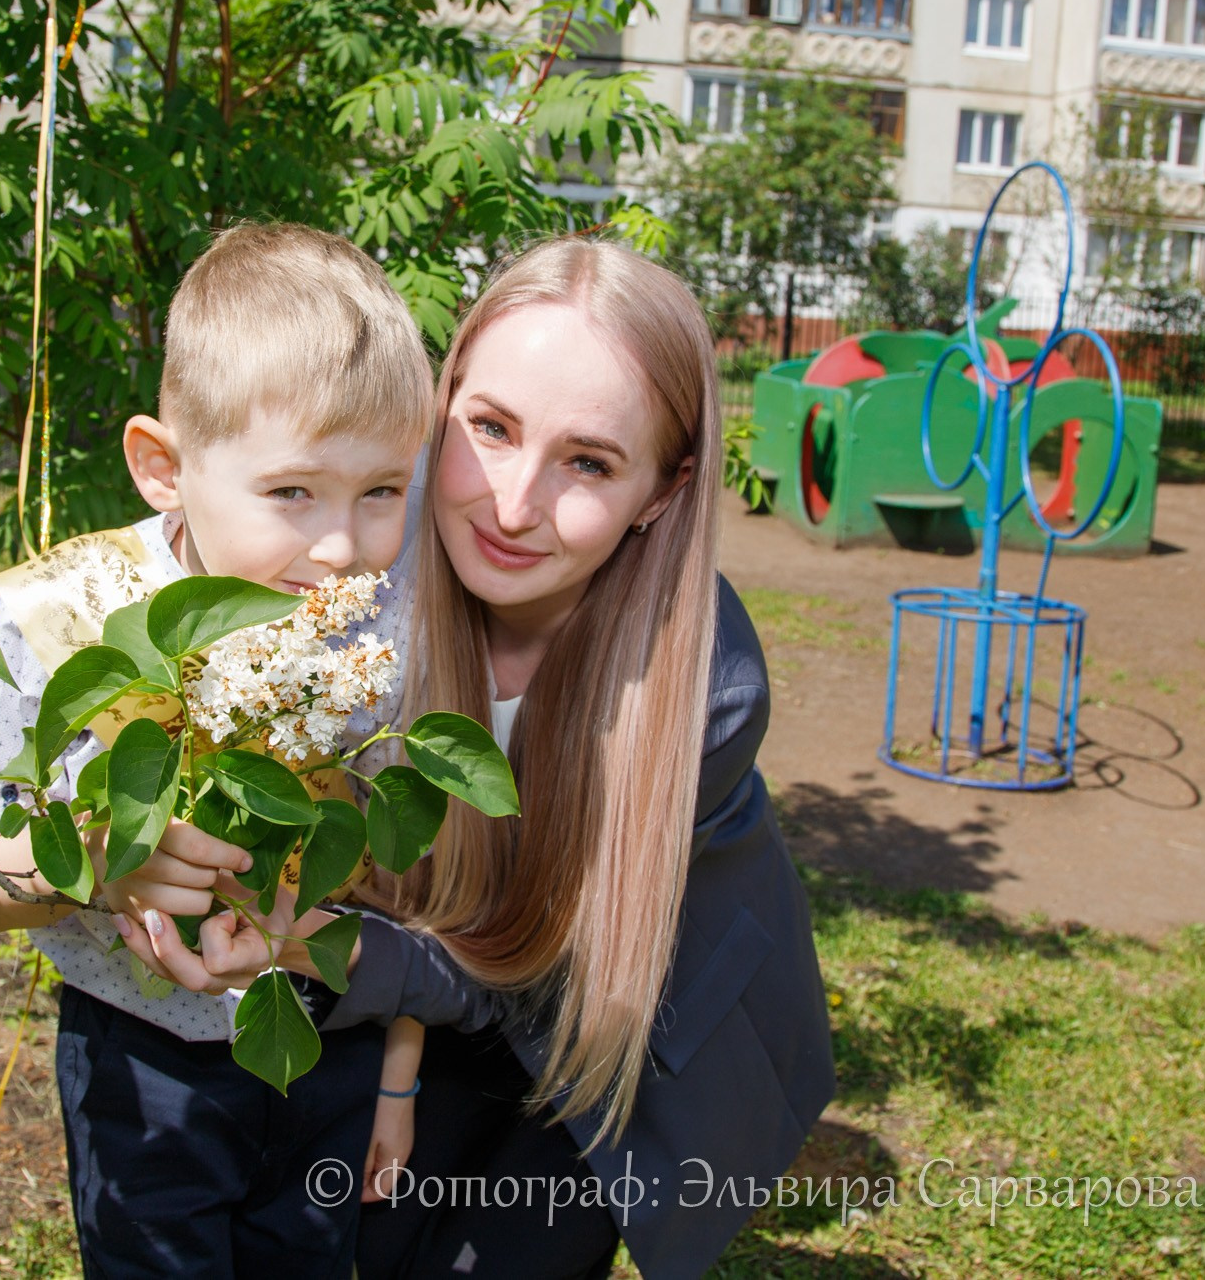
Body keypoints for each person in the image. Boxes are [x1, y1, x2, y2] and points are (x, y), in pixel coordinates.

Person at [114, 237, 837, 1280]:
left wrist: (318, 951)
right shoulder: (349, 544)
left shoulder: (707, 692)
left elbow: (533, 972)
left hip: (605, 1013)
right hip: (410, 986)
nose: (508, 505)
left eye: (587, 462)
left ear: (660, 494)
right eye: (487, 429)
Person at [0, 222, 433, 1279]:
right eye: (292, 491)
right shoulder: (53, 619)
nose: (342, 546)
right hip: (139, 1062)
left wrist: (397, 1078)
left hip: (324, 1036)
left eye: (381, 490)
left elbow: (411, 883)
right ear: (163, 467)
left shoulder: (385, 622)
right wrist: (90, 861)